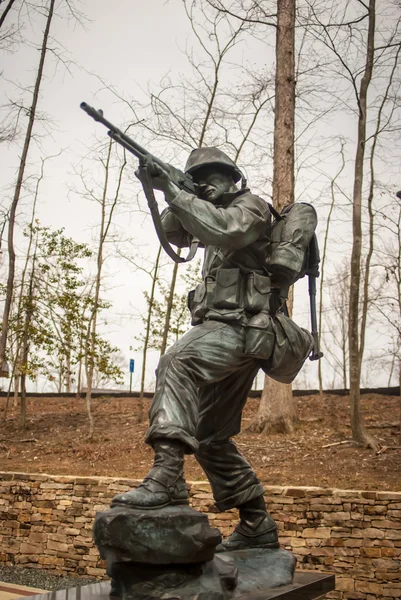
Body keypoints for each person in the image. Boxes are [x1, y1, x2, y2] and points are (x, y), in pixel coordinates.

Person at [112, 147, 314, 552]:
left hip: (243, 327)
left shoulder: (251, 207)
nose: (206, 183)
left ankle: (166, 478)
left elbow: (227, 231)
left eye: (214, 177)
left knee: (177, 362)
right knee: (208, 435)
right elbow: (172, 232)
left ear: (233, 178)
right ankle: (256, 521)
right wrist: (164, 185)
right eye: (199, 176)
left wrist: (177, 191)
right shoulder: (204, 208)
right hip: (233, 330)